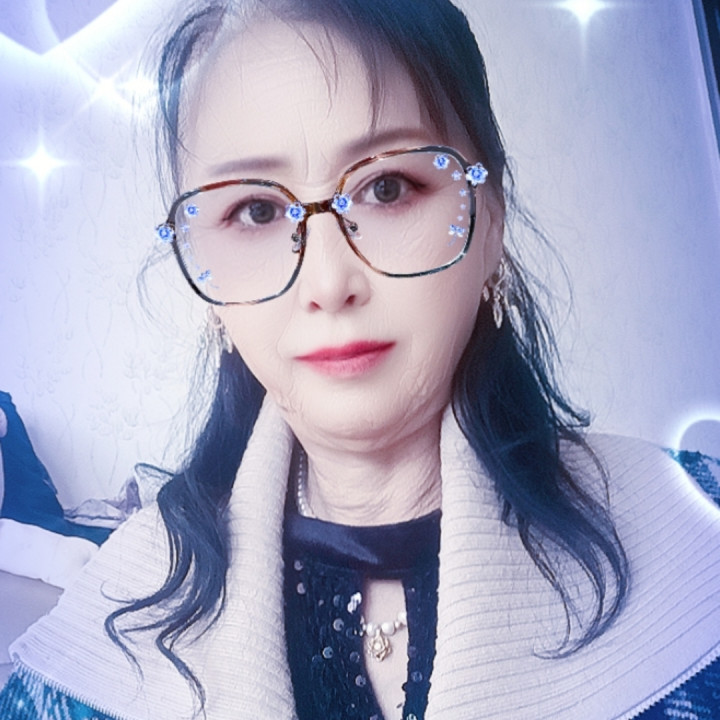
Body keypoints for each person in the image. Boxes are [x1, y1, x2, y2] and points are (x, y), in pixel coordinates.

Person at [2, 0, 720, 718]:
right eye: (255, 211)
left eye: (387, 188)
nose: (327, 281)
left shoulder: (696, 532)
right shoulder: (117, 611)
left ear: (491, 220)